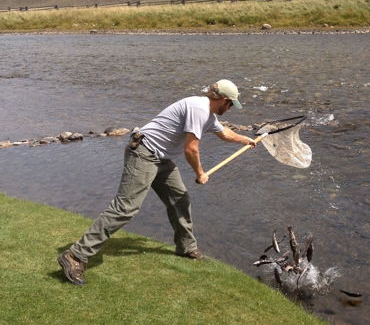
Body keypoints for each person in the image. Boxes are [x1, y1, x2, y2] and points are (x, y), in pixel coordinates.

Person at [58, 79, 256, 286]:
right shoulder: (199, 109)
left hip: (162, 159)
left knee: (180, 199)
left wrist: (246, 140)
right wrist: (200, 173)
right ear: (223, 100)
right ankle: (75, 255)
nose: (231, 108)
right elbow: (191, 149)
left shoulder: (208, 114)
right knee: (126, 208)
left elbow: (224, 133)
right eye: (231, 104)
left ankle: (186, 246)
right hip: (144, 153)